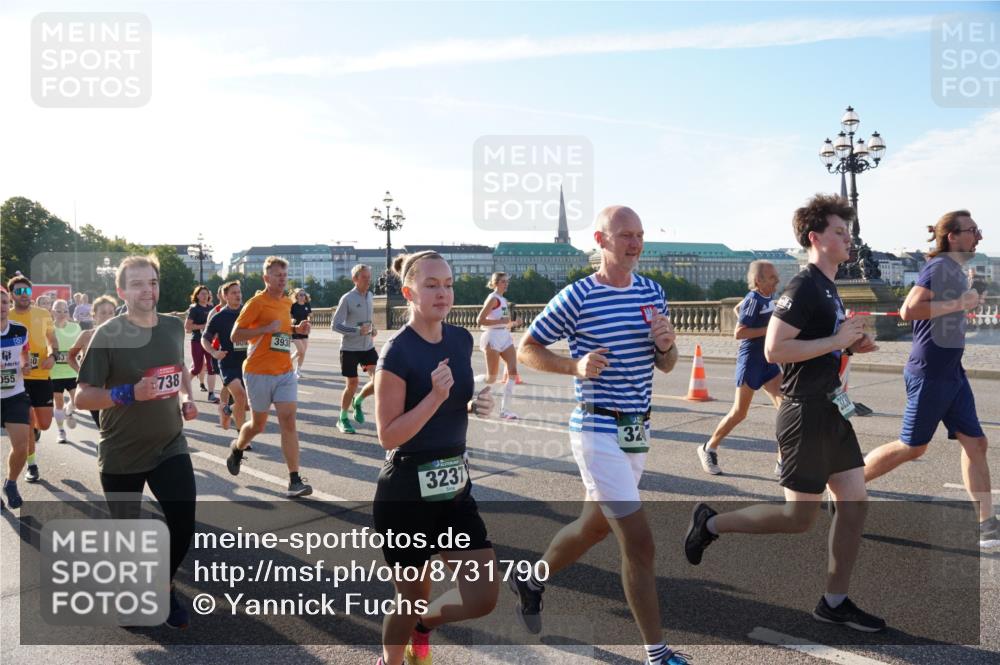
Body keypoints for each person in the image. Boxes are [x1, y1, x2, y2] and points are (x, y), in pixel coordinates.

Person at [684, 194, 885, 633]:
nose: (848, 238)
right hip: (804, 413)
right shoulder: (803, 285)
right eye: (839, 231)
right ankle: (711, 522)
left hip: (831, 408)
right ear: (816, 238)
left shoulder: (828, 288)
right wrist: (836, 342)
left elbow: (818, 345)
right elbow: (775, 349)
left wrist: (851, 343)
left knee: (854, 505)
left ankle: (834, 601)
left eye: (847, 231)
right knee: (799, 519)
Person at [513, 206, 689, 665]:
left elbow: (666, 365)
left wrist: (667, 347)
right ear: (601, 240)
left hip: (637, 428)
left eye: (640, 235)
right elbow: (526, 347)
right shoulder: (578, 296)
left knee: (592, 528)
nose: (635, 244)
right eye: (625, 235)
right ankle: (658, 653)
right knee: (639, 541)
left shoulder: (653, 291)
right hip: (595, 426)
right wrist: (573, 365)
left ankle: (531, 579)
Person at [373, 251, 497, 665]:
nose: (443, 292)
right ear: (409, 292)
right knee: (408, 601)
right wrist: (435, 397)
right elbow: (388, 435)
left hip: (454, 488)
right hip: (407, 494)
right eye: (431, 285)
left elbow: (452, 407)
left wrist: (473, 406)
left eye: (448, 284)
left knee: (483, 597)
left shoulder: (460, 340)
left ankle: (424, 627)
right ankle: (391, 660)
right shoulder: (397, 352)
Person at [75, 255, 198, 629]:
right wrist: (130, 393)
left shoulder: (173, 327)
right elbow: (82, 396)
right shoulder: (108, 334)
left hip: (169, 444)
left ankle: (163, 586)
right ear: (121, 291)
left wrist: (186, 398)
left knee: (182, 523)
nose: (149, 290)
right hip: (122, 452)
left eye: (153, 282)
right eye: (139, 284)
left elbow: (177, 369)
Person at [863, 211, 998, 548]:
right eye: (972, 231)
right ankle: (845, 486)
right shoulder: (938, 267)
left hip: (952, 371)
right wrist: (961, 301)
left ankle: (987, 524)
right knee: (912, 446)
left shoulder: (951, 270)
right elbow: (909, 310)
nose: (978, 236)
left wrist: (966, 296)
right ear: (952, 236)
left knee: (976, 442)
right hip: (930, 372)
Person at [226, 256, 312, 497]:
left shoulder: (286, 302)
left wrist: (296, 329)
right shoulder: (256, 303)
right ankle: (238, 447)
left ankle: (294, 479)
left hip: (284, 371)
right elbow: (235, 335)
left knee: (288, 420)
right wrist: (264, 329)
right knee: (258, 425)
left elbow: (281, 330)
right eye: (277, 275)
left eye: (284, 275)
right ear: (266, 278)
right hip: (257, 372)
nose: (282, 278)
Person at [697, 260, 783, 476]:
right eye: (772, 277)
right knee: (739, 413)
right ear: (758, 281)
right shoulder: (754, 298)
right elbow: (739, 332)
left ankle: (783, 462)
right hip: (751, 361)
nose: (777, 280)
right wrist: (769, 329)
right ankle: (709, 447)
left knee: (786, 410)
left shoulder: (766, 296)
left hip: (768, 362)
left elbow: (738, 308)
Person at [7, 275, 59, 482]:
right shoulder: (6, 316)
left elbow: (52, 340)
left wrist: (53, 356)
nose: (23, 295)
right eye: (19, 292)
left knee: (44, 424)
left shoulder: (43, 313)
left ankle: (35, 431)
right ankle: (32, 464)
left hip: (42, 375)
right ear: (11, 295)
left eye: (26, 291)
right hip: (19, 378)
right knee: (27, 420)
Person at [333, 264, 378, 435]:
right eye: (364, 277)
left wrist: (372, 329)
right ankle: (342, 418)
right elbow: (335, 325)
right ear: (355, 279)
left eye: (369, 277)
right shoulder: (347, 298)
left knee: (378, 380)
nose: (368, 281)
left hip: (367, 347)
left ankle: (358, 401)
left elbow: (367, 320)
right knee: (352, 384)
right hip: (350, 348)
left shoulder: (370, 296)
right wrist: (356, 331)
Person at [202, 281, 249, 435]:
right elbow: (205, 338)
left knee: (246, 404)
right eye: (234, 293)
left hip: (248, 364)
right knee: (240, 397)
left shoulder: (247, 313)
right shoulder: (219, 317)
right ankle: (242, 436)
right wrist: (214, 353)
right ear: (226, 296)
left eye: (239, 292)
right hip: (228, 363)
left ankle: (227, 409)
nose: (238, 295)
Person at [476, 272, 522, 420]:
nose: (506, 284)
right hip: (492, 337)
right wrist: (501, 321)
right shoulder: (493, 298)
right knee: (491, 378)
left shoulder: (503, 299)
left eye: (507, 281)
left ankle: (505, 410)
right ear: (495, 283)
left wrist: (514, 324)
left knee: (513, 370)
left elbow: (504, 321)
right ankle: (470, 381)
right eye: (503, 281)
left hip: (504, 336)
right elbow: (480, 320)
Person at [1, 286, 31, 510]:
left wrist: (25, 364)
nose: (0, 307)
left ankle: (10, 483)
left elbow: (24, 353)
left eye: (3, 302)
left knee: (22, 446)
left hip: (15, 394)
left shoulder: (19, 330)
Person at [68, 295, 118, 428]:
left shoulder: (122, 336)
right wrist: (84, 374)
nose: (108, 316)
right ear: (94, 315)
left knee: (115, 429)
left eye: (111, 312)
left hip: (114, 389)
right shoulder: (86, 335)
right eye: (103, 313)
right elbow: (70, 357)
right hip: (93, 392)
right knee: (104, 427)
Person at [49, 299, 83, 443]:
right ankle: (61, 431)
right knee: (58, 403)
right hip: (55, 372)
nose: (62, 314)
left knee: (77, 402)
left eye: (65, 311)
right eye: (58, 310)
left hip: (72, 371)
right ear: (52, 312)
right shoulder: (48, 329)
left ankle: (69, 411)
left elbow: (82, 348)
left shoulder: (76, 328)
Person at [185, 285, 219, 404]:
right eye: (202, 294)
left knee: (212, 368)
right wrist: (202, 326)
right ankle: (184, 387)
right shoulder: (194, 309)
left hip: (210, 342)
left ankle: (211, 394)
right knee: (197, 368)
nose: (205, 296)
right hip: (197, 341)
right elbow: (187, 327)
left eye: (206, 294)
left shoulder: (212, 308)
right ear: (197, 295)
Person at [290, 288, 312, 378]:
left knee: (302, 352)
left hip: (304, 330)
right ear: (296, 296)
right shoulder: (293, 306)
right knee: (301, 350)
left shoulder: (307, 305)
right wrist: (292, 320)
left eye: (304, 295)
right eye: (301, 295)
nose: (303, 296)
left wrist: (309, 322)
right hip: (295, 330)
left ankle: (297, 369)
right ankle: (294, 366)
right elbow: (290, 317)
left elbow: (310, 316)